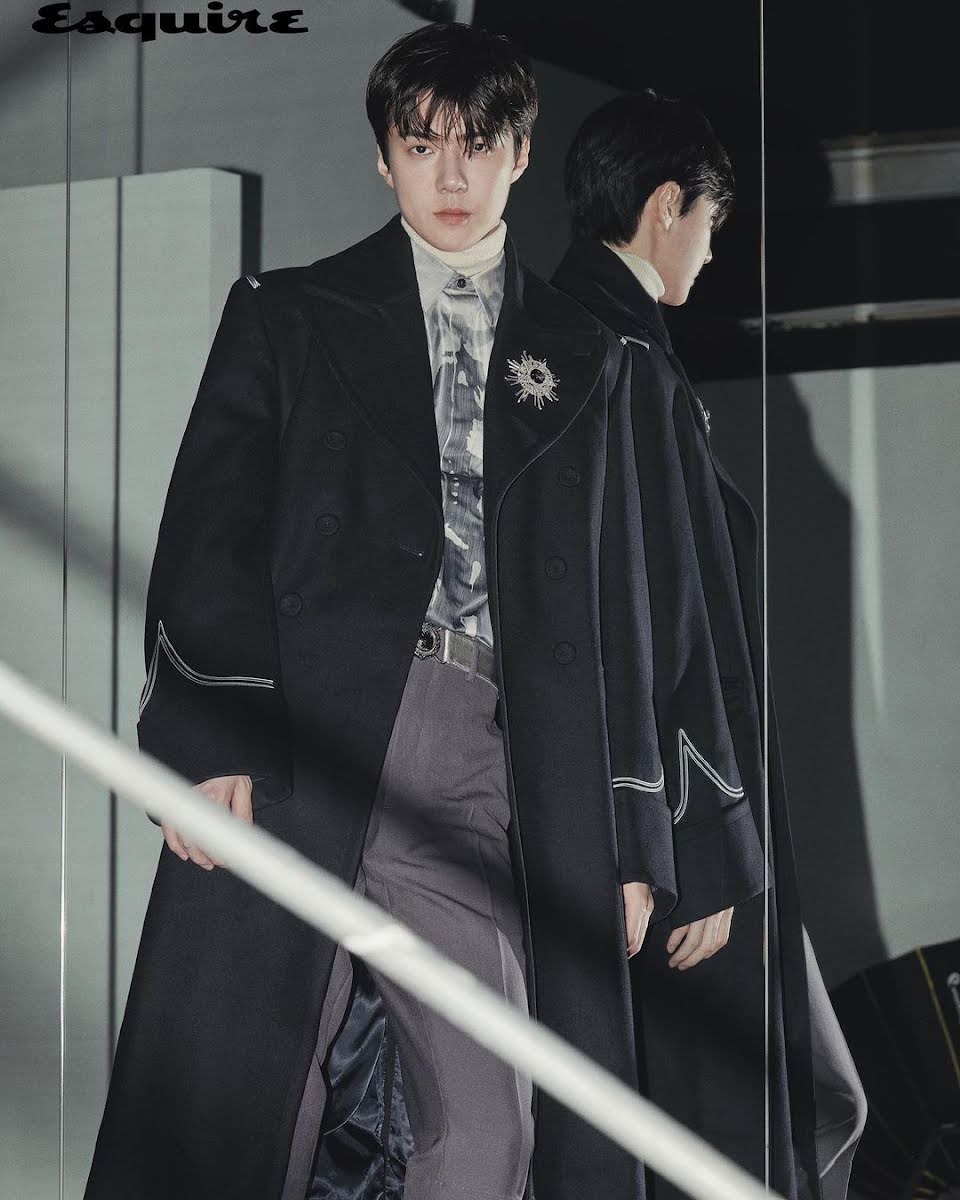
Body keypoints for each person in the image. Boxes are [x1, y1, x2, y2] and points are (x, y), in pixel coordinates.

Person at [84, 27, 677, 1200]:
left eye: (478, 146)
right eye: (420, 145)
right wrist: (208, 743)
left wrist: (629, 836)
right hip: (301, 736)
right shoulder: (291, 314)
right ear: (383, 158)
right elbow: (208, 537)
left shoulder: (590, 357)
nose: (450, 176)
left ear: (521, 154)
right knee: (246, 1114)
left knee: (495, 1125)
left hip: (484, 763)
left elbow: (621, 607)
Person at [552, 91, 867, 1200]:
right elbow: (658, 617)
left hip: (637, 817)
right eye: (713, 225)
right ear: (666, 206)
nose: (713, 251)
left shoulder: (591, 337)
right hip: (676, 833)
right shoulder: (619, 355)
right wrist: (704, 848)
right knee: (721, 1126)